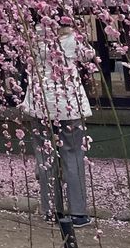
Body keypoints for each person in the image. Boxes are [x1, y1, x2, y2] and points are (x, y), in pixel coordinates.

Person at [22, 16, 93, 226]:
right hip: (68, 104)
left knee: (45, 155)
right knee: (73, 153)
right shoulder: (72, 38)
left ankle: (51, 209)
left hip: (40, 102)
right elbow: (89, 56)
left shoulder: (32, 37)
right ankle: (78, 212)